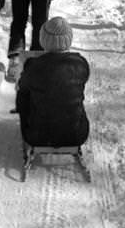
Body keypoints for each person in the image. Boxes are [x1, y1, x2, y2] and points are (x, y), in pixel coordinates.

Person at [16, 17, 90, 148]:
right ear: (68, 40)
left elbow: (22, 91)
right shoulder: (80, 64)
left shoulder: (33, 66)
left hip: (37, 137)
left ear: (43, 40)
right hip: (77, 135)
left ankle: (34, 124)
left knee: (23, 95)